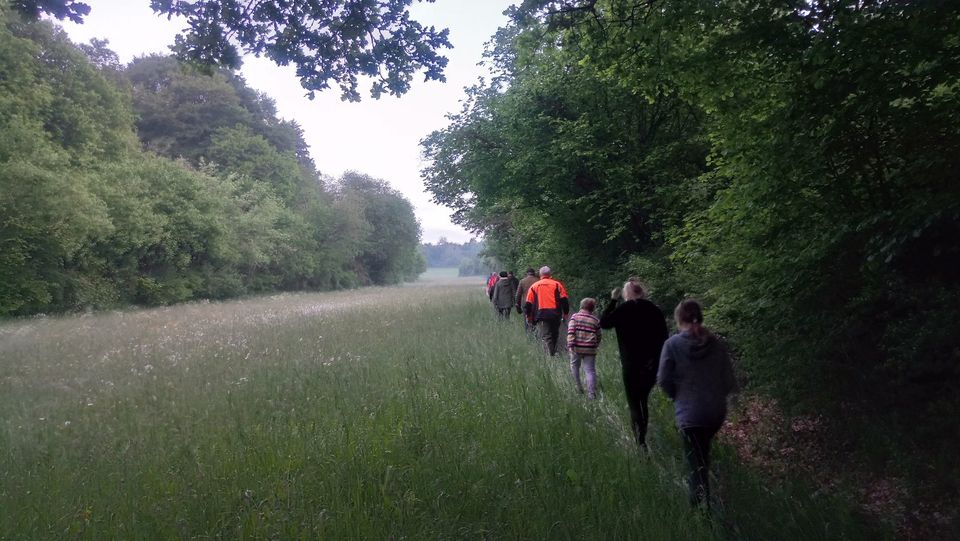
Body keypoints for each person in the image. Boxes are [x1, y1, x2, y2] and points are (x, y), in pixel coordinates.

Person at [658, 299, 737, 507]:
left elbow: (663, 380)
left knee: (696, 465)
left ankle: (701, 513)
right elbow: (729, 381)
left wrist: (679, 396)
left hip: (690, 413)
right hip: (715, 412)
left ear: (679, 319)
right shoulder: (717, 344)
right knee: (702, 456)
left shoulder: (672, 345)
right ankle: (709, 498)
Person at [600, 279, 668, 447]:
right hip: (651, 364)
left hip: (631, 364)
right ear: (642, 291)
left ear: (626, 294)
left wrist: (613, 300)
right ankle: (642, 433)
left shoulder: (623, 309)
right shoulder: (654, 310)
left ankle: (640, 440)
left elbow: (604, 323)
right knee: (642, 399)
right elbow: (664, 338)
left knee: (634, 402)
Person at [523, 266, 570, 356]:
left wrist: (528, 316)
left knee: (546, 336)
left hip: (541, 315)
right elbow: (564, 300)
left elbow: (528, 304)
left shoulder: (534, 286)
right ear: (550, 274)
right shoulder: (557, 285)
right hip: (556, 314)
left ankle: (550, 355)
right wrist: (566, 313)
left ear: (540, 274)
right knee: (554, 334)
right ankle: (553, 352)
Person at [567, 297, 602, 399]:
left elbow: (571, 331)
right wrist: (596, 344)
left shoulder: (575, 317)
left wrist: (570, 345)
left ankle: (578, 388)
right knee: (590, 370)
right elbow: (599, 335)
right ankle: (591, 394)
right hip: (590, 348)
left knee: (574, 367)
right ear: (592, 308)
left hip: (576, 348)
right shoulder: (595, 320)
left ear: (581, 306)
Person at [515, 268, 539, 333]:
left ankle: (529, 336)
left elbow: (518, 295)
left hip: (526, 304)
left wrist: (518, 305)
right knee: (536, 321)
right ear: (533, 273)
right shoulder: (538, 280)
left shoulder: (522, 281)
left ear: (527, 273)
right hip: (537, 304)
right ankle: (536, 335)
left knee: (527, 321)